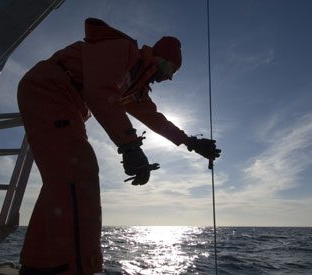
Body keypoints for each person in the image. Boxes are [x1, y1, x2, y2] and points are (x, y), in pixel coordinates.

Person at [17, 18, 221, 275]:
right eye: (173, 70)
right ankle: (70, 268)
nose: (170, 78)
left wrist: (191, 143)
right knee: (79, 169)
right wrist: (130, 147)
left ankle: (39, 266)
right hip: (48, 90)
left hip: (67, 103)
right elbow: (100, 93)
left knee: (65, 179)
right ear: (164, 58)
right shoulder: (123, 51)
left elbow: (155, 120)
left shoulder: (135, 83)